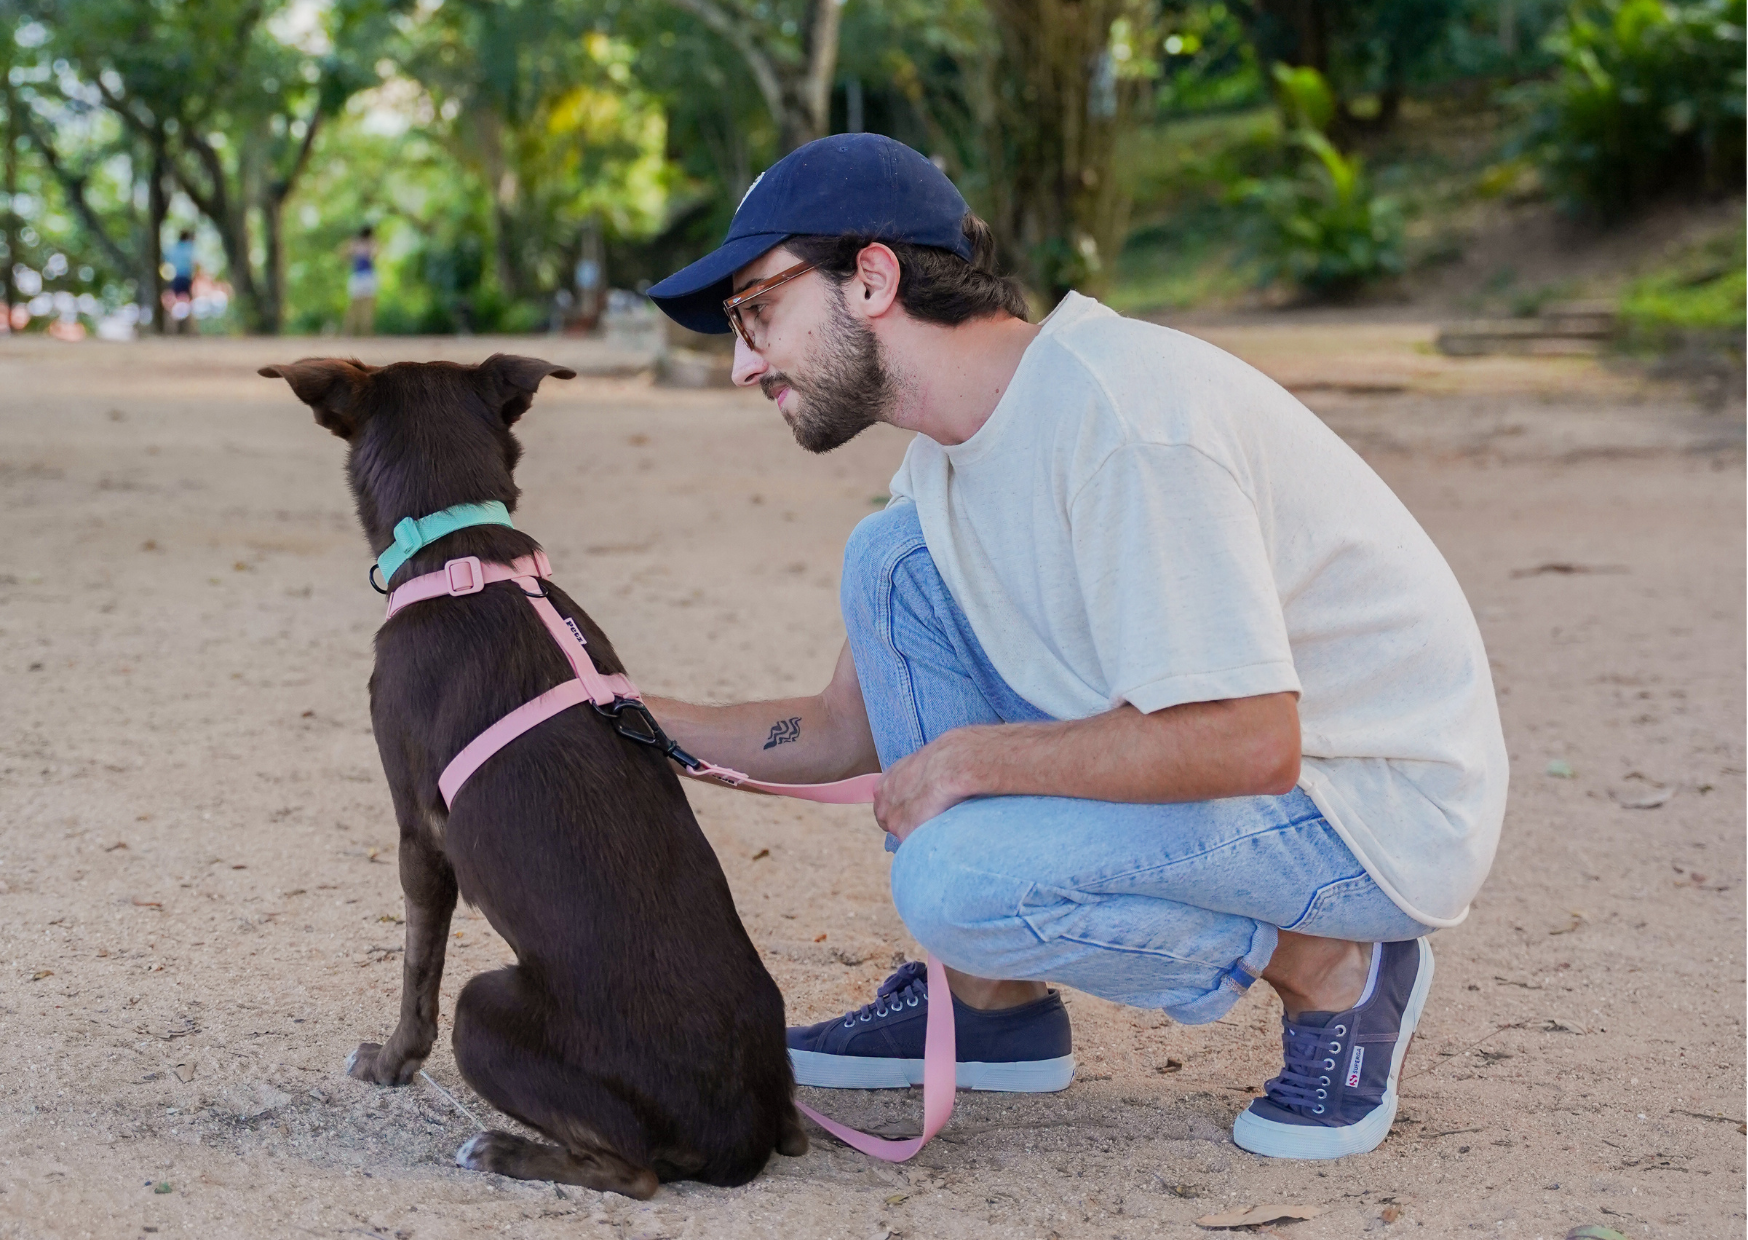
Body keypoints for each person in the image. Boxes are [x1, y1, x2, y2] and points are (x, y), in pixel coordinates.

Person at [643, 134, 1506, 1160]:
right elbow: (842, 727)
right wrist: (610, 716)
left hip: (1366, 810)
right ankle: (988, 1006)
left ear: (870, 278)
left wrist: (974, 762)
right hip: (1259, 785)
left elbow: (1249, 740)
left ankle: (1335, 970)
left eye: (753, 313)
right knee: (891, 557)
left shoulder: (1122, 421)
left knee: (954, 878)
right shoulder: (945, 465)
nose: (743, 362)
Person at [343, 226, 378, 336]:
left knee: (367, 305)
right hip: (359, 276)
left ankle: (366, 332)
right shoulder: (355, 243)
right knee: (355, 305)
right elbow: (344, 253)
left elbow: (376, 253)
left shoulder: (371, 244)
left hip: (367, 275)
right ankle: (349, 332)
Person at [164, 229, 196, 335]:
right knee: (188, 302)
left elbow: (167, 260)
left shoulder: (174, 248)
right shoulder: (189, 248)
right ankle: (189, 330)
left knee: (174, 302)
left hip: (176, 277)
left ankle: (172, 329)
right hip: (186, 277)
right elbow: (194, 262)